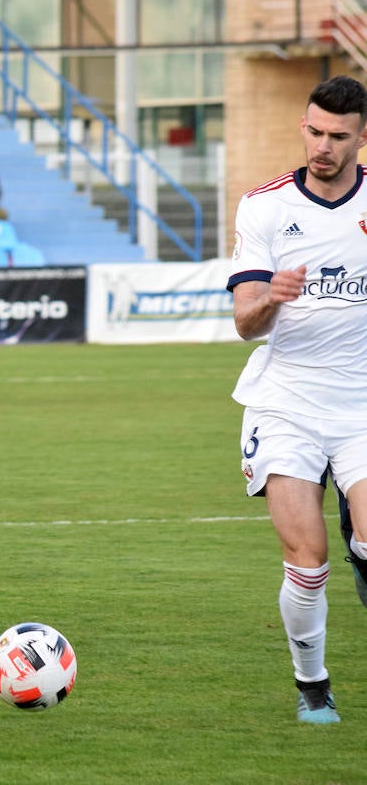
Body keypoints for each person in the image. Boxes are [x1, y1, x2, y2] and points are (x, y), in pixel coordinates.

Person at [228, 74, 367, 725]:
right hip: (285, 402)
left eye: (338, 136)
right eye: (314, 131)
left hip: (361, 404)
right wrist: (270, 297)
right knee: (306, 558)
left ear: (361, 137)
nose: (323, 145)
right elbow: (243, 322)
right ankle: (313, 685)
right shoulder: (263, 207)